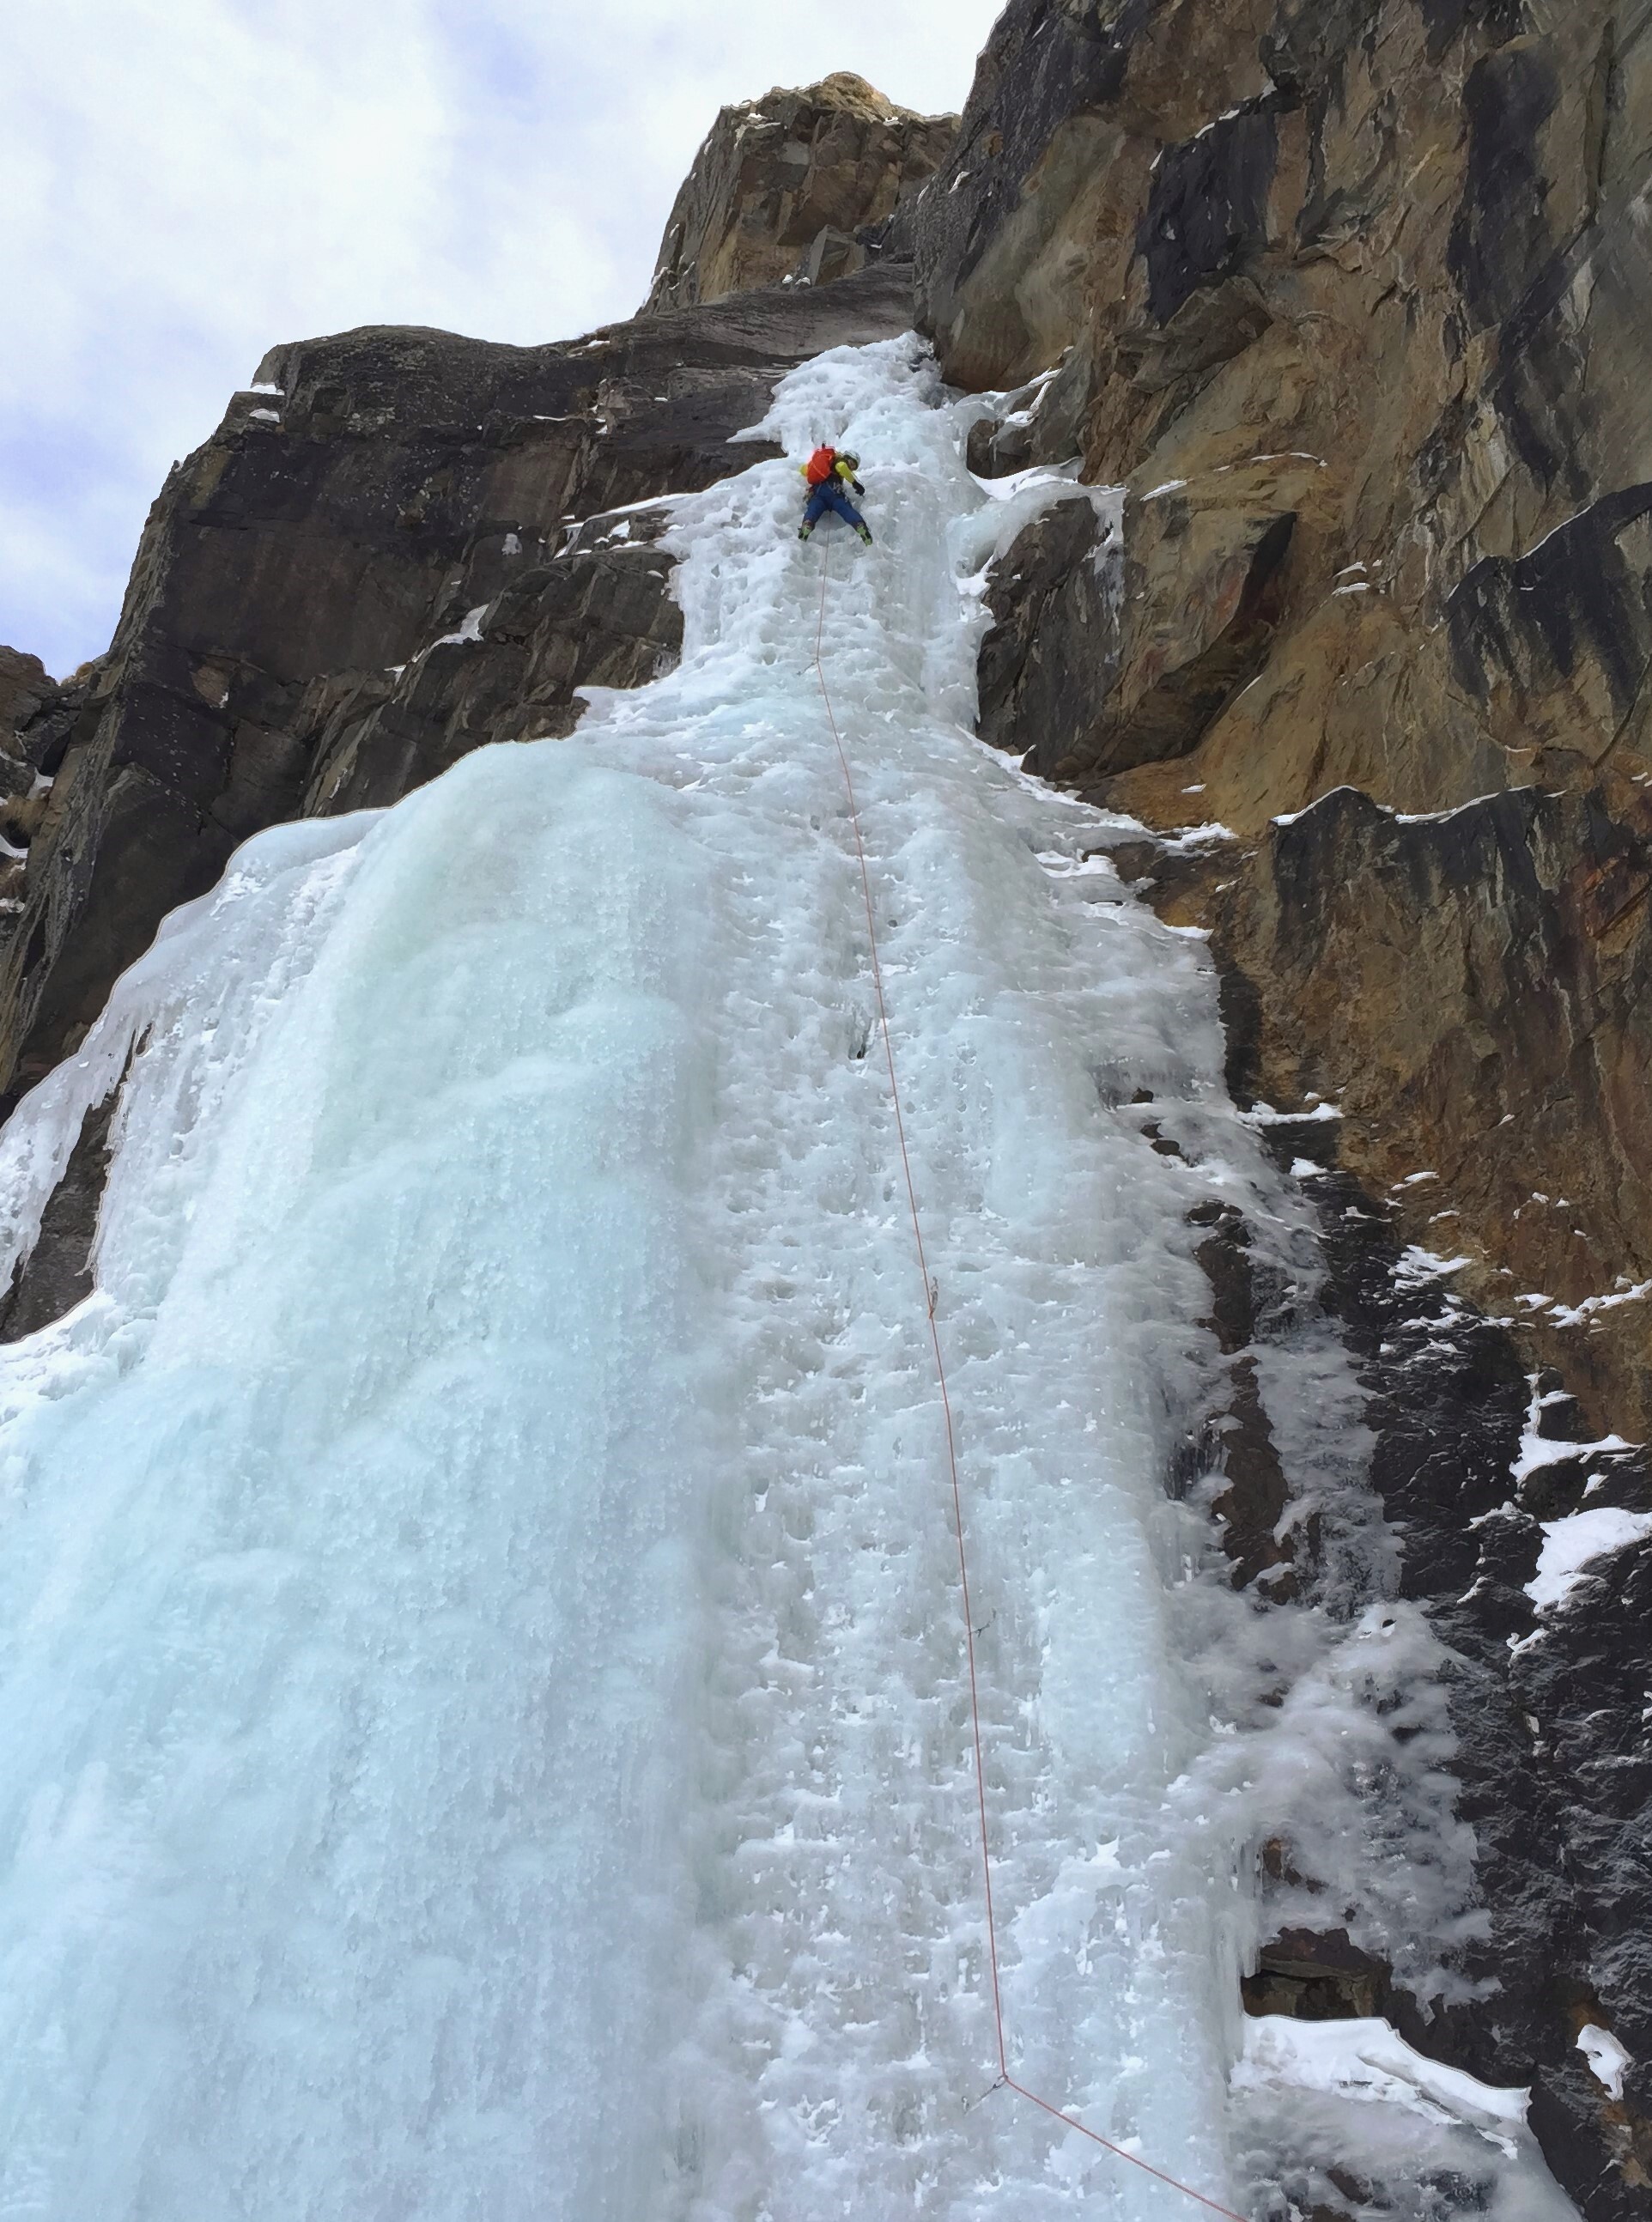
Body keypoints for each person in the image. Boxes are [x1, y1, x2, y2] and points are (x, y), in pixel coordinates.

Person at [799, 444, 872, 544]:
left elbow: (804, 470)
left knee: (813, 509)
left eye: (853, 468)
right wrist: (854, 483)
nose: (851, 467)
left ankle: (807, 524)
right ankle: (860, 525)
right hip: (834, 493)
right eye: (851, 463)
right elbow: (841, 467)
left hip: (819, 493)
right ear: (847, 457)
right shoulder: (839, 460)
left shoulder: (823, 466)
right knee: (846, 510)